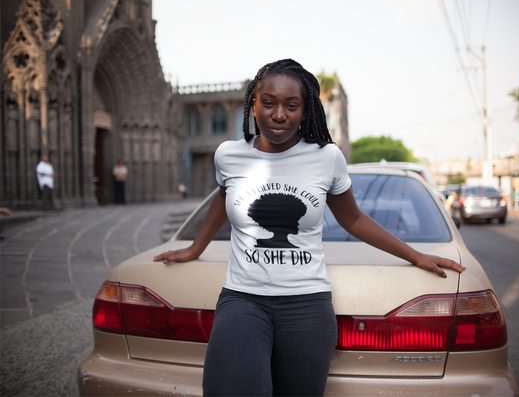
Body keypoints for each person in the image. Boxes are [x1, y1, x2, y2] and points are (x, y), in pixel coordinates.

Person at [154, 59, 465, 397]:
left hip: (306, 304)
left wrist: (415, 255)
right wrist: (195, 247)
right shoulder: (229, 155)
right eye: (269, 102)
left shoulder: (326, 157)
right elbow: (223, 199)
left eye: (292, 105)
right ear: (253, 104)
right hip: (243, 299)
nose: (279, 114)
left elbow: (354, 220)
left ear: (305, 111)